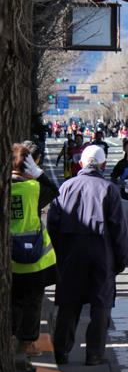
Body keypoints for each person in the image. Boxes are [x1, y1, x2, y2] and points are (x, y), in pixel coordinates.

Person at [47, 145, 128, 366]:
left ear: (81, 164)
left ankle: (61, 351)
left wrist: (59, 253)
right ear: (103, 165)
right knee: (100, 304)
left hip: (70, 253)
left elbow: (52, 223)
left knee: (68, 303)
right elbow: (119, 229)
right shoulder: (109, 189)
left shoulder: (66, 187)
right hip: (101, 253)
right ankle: (94, 354)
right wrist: (122, 260)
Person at [10, 144, 59, 357]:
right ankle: (26, 344)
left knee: (12, 300)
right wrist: (39, 174)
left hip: (9, 258)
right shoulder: (33, 187)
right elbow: (55, 192)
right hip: (35, 259)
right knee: (32, 302)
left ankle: (9, 337)